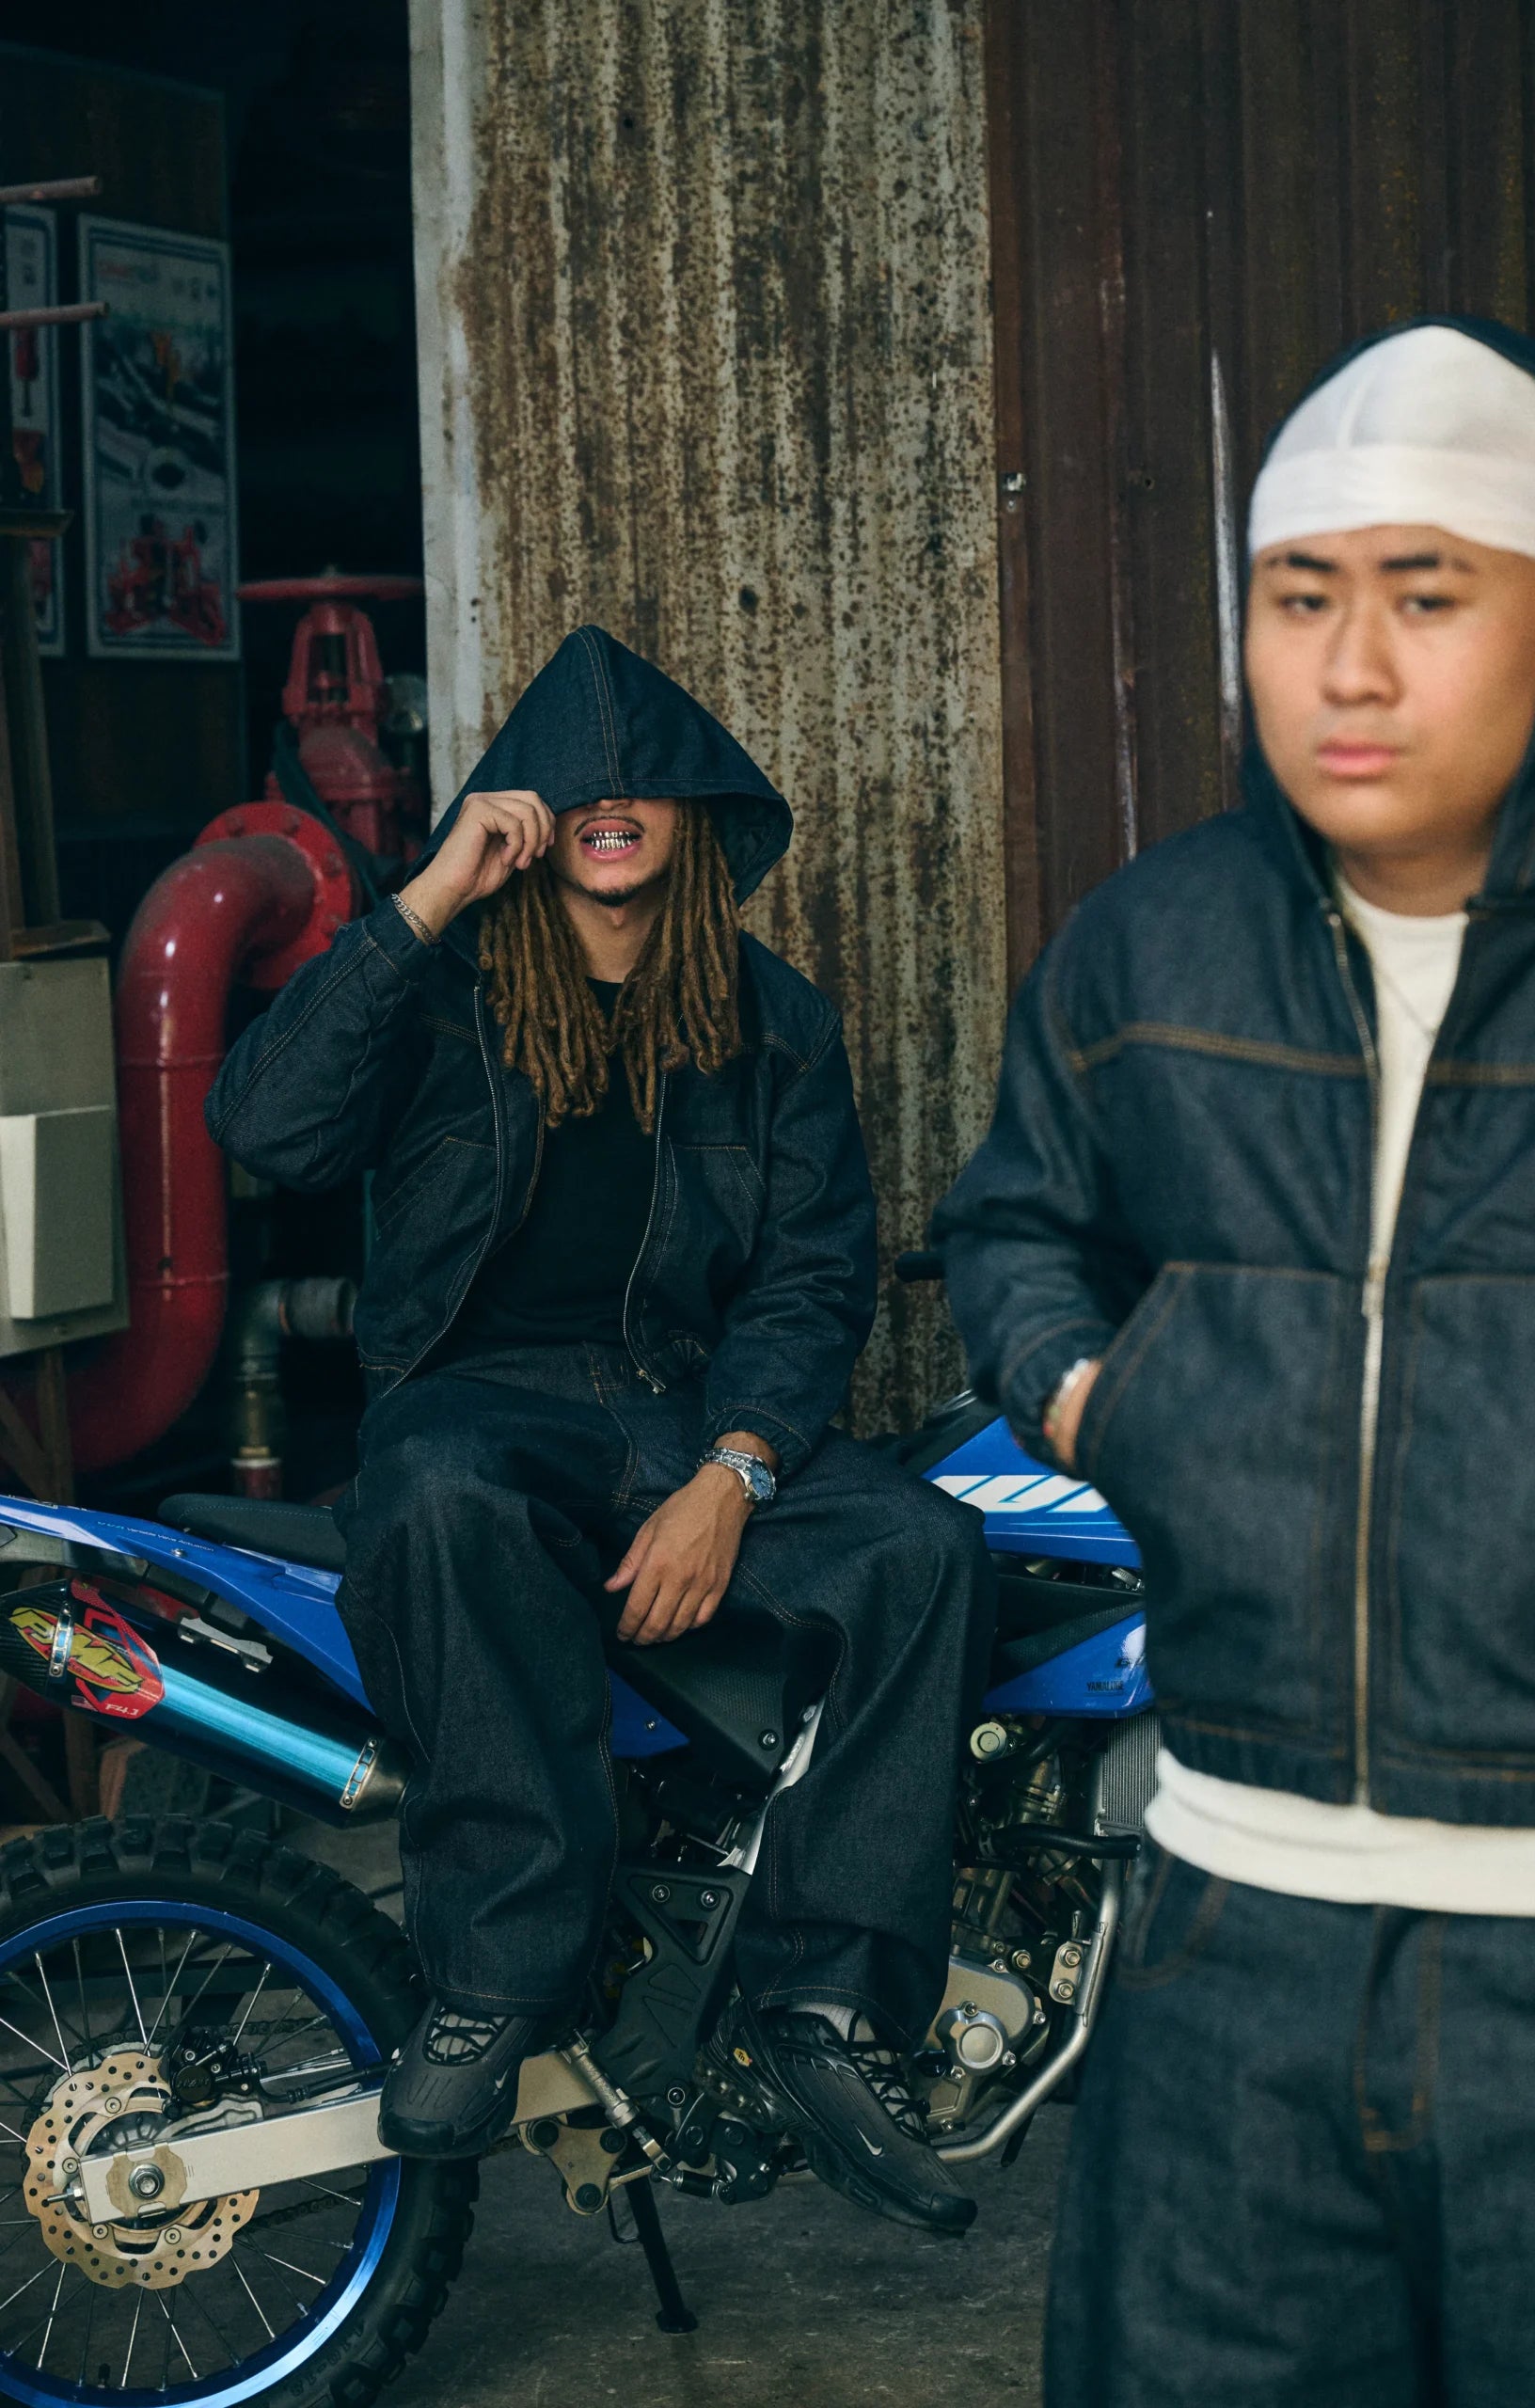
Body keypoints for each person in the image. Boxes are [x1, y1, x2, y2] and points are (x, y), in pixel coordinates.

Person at [934, 320, 1535, 2401]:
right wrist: (1103, 1402)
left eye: (1428, 595)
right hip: (1229, 1923)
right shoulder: (1153, 946)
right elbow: (1015, 1221)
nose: (1351, 667)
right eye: (1299, 596)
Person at [207, 625, 993, 2234]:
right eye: (572, 783)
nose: (608, 799)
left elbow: (812, 1276)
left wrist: (735, 1472)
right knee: (437, 1502)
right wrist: (427, 896)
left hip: (688, 1406)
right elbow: (265, 1127)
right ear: (524, 817)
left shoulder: (776, 1022)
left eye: (643, 782)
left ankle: (819, 2004)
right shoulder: (441, 992)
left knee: (926, 1551)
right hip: (477, 1405)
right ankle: (499, 1981)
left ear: (695, 813)